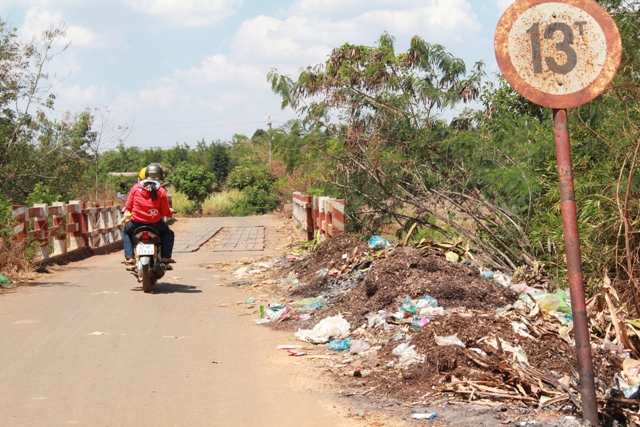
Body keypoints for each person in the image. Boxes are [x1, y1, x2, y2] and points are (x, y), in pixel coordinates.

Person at [122, 163, 175, 265]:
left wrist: (128, 208)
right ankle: (165, 257)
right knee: (167, 232)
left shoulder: (136, 188)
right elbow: (164, 212)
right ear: (160, 175)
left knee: (126, 232)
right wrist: (170, 213)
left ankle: (129, 257)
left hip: (136, 223)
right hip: (155, 223)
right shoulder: (161, 190)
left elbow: (128, 206)